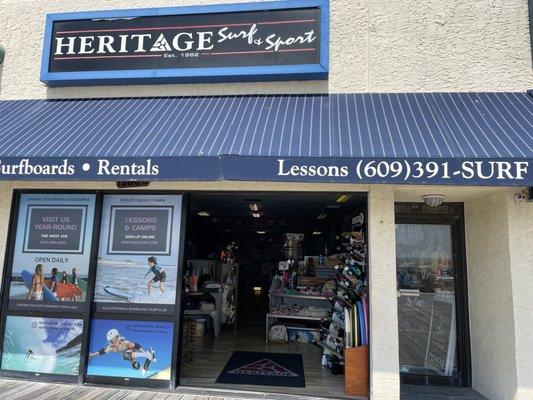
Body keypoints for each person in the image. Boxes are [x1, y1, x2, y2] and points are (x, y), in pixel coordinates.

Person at [88, 329, 155, 372]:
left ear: (118, 337)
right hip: (128, 355)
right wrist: (92, 355)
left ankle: (147, 354)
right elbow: (101, 352)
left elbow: (136, 345)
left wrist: (145, 353)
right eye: (112, 342)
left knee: (125, 355)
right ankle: (144, 369)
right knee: (135, 367)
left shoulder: (125, 342)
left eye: (115, 340)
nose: (115, 343)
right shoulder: (111, 348)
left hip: (131, 351)